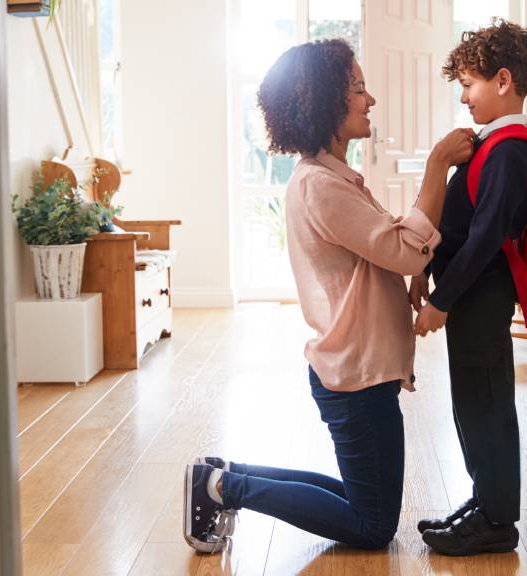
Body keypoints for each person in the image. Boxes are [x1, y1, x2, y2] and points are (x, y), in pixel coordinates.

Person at [183, 38, 475, 553]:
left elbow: (386, 249)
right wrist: (437, 166)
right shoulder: (322, 186)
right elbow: (405, 249)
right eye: (358, 89)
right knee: (372, 525)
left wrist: (409, 268)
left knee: (363, 500)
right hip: (357, 378)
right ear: (325, 103)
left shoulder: (332, 178)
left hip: (357, 371)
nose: (371, 100)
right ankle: (224, 488)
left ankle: (223, 474)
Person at [409, 19, 527, 556]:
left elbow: (486, 237)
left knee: (486, 405)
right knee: (471, 402)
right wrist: (426, 267)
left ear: (503, 80)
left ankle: (497, 520)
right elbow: (462, 224)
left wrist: (442, 301)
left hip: (481, 299)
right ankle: (486, 502)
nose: (463, 96)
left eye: (469, 84)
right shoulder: (492, 144)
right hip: (472, 298)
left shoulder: (510, 149)